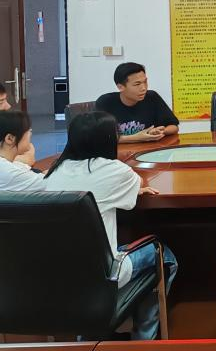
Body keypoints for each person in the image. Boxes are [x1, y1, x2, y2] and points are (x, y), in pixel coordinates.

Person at [44, 111, 177, 339]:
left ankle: (88, 335)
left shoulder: (53, 173)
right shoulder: (115, 171)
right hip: (104, 274)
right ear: (107, 140)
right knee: (163, 256)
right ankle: (144, 338)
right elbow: (139, 183)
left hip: (56, 275)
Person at [96, 62, 179, 143]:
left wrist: (160, 131)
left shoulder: (152, 97)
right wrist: (136, 138)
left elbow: (174, 127)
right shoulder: (106, 102)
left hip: (149, 149)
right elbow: (99, 136)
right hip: (119, 151)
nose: (143, 88)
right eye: (137, 84)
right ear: (120, 87)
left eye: (145, 82)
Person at [0, 110, 44, 191]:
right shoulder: (8, 172)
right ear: (10, 138)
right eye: (29, 130)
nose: (31, 134)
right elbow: (52, 183)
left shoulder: (9, 164)